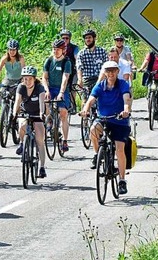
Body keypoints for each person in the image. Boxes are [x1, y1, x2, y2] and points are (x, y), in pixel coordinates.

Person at [80, 61, 131, 195]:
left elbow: (126, 99)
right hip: (103, 119)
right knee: (93, 130)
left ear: (117, 71)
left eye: (113, 70)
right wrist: (85, 109)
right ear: (104, 72)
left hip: (119, 121)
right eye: (108, 71)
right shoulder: (100, 86)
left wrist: (126, 110)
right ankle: (98, 154)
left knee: (119, 149)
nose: (110, 73)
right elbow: (91, 99)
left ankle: (122, 180)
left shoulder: (122, 84)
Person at [12, 66, 47, 178]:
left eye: (30, 79)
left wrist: (42, 113)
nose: (27, 81)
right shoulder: (21, 87)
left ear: (34, 78)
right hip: (25, 111)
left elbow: (42, 102)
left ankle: (42, 167)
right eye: (25, 79)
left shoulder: (39, 87)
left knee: (40, 139)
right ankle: (22, 143)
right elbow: (17, 101)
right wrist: (13, 114)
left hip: (37, 113)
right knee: (22, 125)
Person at [42, 39, 72, 152]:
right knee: (45, 103)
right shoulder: (49, 61)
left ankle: (64, 141)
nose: (55, 51)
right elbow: (44, 77)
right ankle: (49, 121)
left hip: (62, 89)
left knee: (63, 112)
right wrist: (46, 91)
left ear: (63, 50)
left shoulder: (66, 62)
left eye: (58, 49)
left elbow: (65, 78)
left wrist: (61, 93)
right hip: (50, 88)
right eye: (54, 49)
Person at [0, 39, 25, 105]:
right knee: (2, 92)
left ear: (17, 50)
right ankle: (3, 108)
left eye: (14, 50)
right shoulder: (5, 58)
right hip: (8, 79)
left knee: (21, 94)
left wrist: (23, 79)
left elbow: (24, 69)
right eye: (10, 50)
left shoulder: (21, 58)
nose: (12, 52)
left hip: (19, 80)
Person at [76, 29, 107, 98]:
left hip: (100, 78)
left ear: (94, 38)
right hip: (87, 80)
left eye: (89, 37)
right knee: (85, 100)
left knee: (103, 99)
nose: (88, 40)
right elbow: (79, 67)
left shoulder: (102, 51)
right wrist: (80, 80)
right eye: (86, 38)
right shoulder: (81, 53)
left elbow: (106, 66)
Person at [59, 29, 80, 114]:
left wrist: (78, 64)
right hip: (61, 71)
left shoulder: (74, 48)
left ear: (70, 39)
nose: (65, 40)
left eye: (67, 38)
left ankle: (72, 105)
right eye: (63, 38)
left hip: (73, 71)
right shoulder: (58, 48)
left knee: (73, 88)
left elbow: (77, 57)